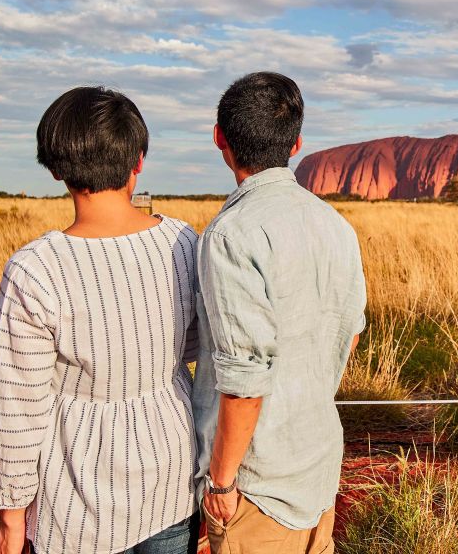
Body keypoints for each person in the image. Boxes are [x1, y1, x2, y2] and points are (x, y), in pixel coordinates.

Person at [0, 87, 201, 554]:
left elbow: (17, 408)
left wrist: (11, 519)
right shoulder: (183, 241)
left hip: (75, 498)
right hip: (172, 480)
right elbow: (195, 346)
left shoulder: (35, 269)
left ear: (56, 169)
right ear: (139, 160)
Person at [192, 72, 366, 554]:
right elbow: (350, 333)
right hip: (317, 462)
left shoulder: (231, 234)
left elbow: (244, 375)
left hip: (258, 485)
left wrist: (223, 481)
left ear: (219, 138)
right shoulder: (335, 224)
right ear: (297, 142)